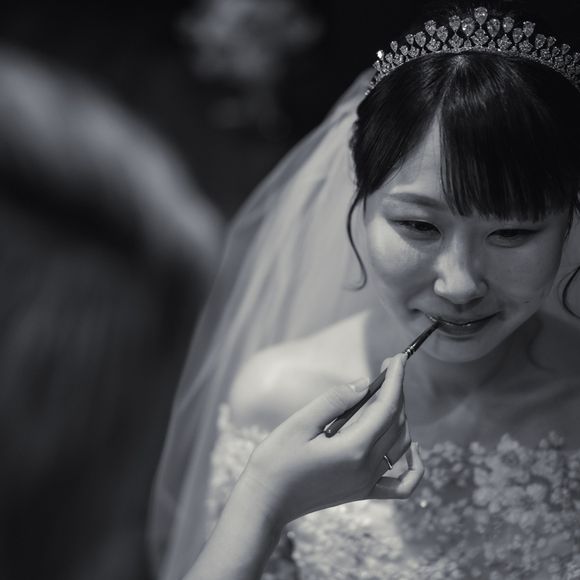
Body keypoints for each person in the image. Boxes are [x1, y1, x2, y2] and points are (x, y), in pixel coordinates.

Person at [150, 2, 580, 579]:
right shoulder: (278, 396)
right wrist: (263, 498)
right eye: (419, 226)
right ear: (361, 198)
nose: (459, 285)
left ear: (569, 220)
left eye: (512, 233)